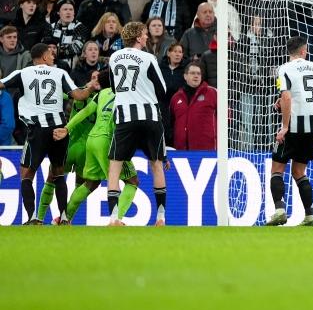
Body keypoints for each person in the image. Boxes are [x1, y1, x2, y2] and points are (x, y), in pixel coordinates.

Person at [0, 43, 97, 224]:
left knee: (27, 174)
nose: (54, 56)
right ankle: (65, 217)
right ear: (43, 57)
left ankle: (32, 217)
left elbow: (1, 84)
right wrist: (91, 87)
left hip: (37, 130)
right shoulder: (60, 73)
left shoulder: (22, 73)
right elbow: (79, 96)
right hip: (59, 130)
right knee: (58, 172)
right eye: (51, 54)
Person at [55, 69, 139, 224]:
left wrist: (67, 128)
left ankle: (65, 218)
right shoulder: (125, 95)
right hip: (107, 141)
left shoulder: (101, 94)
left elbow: (86, 111)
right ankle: (117, 219)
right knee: (132, 181)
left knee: (91, 182)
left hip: (92, 140)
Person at [107, 21, 169, 226]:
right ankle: (160, 218)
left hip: (125, 117)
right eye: (144, 34)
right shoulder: (148, 58)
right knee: (156, 164)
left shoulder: (114, 57)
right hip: (149, 116)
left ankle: (114, 217)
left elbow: (114, 88)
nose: (146, 37)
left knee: (114, 166)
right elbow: (162, 90)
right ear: (138, 38)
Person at [266, 36, 313, 226]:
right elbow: (305, 95)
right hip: (312, 128)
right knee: (299, 171)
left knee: (277, 169)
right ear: (304, 50)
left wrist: (285, 126)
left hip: (294, 128)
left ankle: (280, 210)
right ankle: (310, 214)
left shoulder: (284, 69)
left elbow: (287, 96)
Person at [169, 62, 216, 150]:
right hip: (181, 151)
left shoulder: (213, 93)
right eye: (192, 73)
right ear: (185, 76)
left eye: (198, 73)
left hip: (207, 150)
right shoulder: (176, 97)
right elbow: (172, 122)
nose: (196, 76)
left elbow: (226, 117)